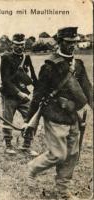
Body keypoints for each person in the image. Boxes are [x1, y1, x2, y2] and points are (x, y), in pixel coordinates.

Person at [26, 27, 93, 199]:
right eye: (68, 42)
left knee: (71, 156)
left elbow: (88, 91)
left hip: (73, 117)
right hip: (54, 116)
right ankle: (32, 168)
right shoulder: (49, 66)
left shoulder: (78, 65)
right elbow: (38, 95)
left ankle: (63, 191)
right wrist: (29, 121)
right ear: (59, 42)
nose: (72, 46)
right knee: (58, 154)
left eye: (74, 42)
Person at [0, 33, 38, 156]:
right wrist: (18, 93)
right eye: (17, 44)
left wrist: (39, 89)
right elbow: (5, 80)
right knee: (7, 120)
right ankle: (8, 145)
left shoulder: (26, 57)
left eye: (22, 44)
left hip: (24, 95)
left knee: (32, 119)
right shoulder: (6, 58)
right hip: (10, 95)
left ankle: (26, 146)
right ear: (12, 44)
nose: (20, 47)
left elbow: (33, 76)